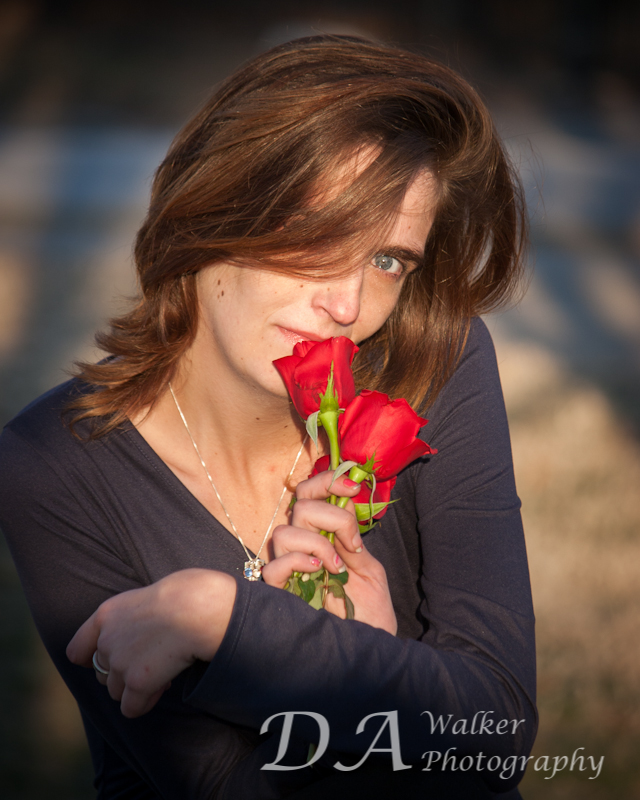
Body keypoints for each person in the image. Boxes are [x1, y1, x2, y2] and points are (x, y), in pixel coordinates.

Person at [0, 35, 536, 799]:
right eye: (321, 233)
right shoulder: (50, 464)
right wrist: (373, 671)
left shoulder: (432, 367)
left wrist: (222, 618)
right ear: (213, 204)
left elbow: (498, 734)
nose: (347, 305)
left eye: (387, 260)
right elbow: (225, 785)